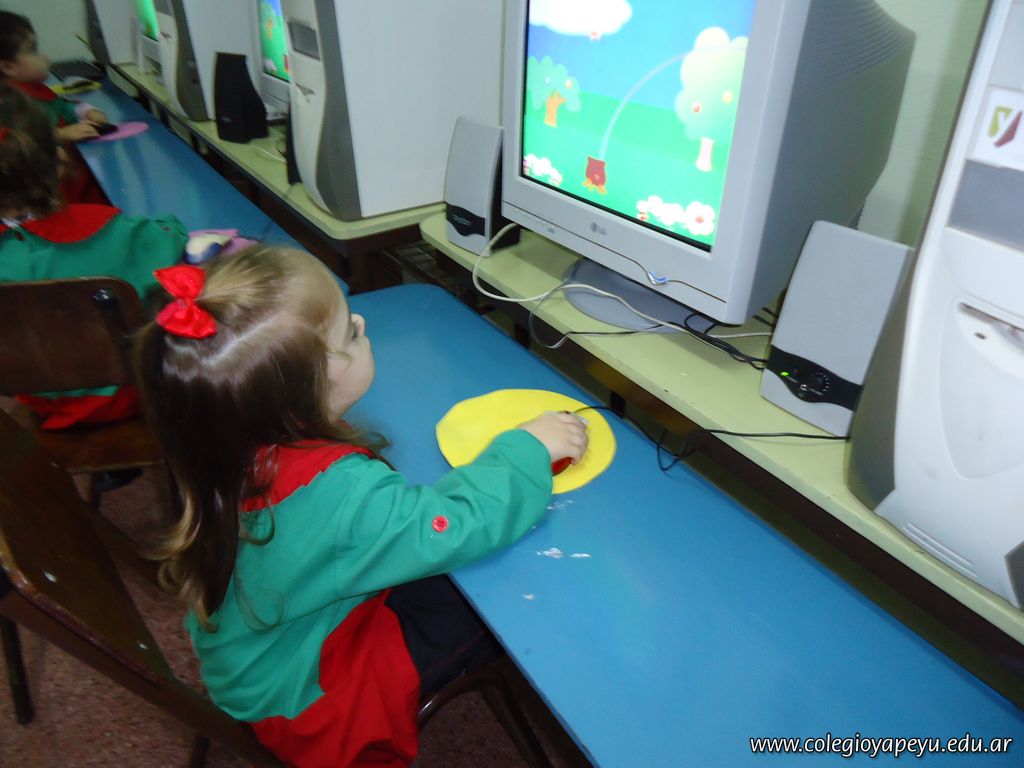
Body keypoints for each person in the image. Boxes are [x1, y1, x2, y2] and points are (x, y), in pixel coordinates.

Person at [133, 246, 589, 768]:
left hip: (256, 657)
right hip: (306, 693)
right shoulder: (344, 493)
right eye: (348, 332)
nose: (361, 323)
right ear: (308, 390)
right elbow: (458, 525)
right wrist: (528, 448)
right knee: (500, 597)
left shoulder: (222, 444)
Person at [0, 83, 189, 429]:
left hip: (45, 401)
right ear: (59, 162)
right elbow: (171, 234)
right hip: (134, 393)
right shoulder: (117, 231)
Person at [0, 11, 109, 203]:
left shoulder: (34, 88)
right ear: (8, 67)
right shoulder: (9, 102)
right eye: (33, 50)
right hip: (51, 192)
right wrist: (61, 134)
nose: (44, 56)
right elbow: (17, 143)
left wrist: (87, 111)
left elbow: (62, 105)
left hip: (72, 176)